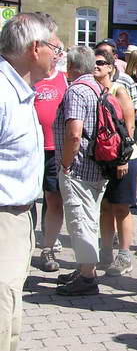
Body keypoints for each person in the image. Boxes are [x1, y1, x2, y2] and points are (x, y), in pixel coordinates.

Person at [0, 12, 60, 351]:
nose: (60, 54)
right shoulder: (2, 92)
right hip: (2, 219)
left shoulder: (21, 90)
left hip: (20, 217)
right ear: (34, 49)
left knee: (10, 326)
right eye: (55, 47)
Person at [53, 45, 110, 296]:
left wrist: (65, 164)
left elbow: (74, 134)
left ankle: (87, 278)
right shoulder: (99, 88)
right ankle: (86, 268)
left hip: (78, 167)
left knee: (80, 221)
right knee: (89, 218)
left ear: (73, 67)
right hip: (98, 164)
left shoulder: (76, 91)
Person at [93, 49, 137, 277]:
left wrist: (123, 159)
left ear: (111, 67)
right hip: (103, 159)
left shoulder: (119, 91)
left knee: (121, 208)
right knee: (105, 207)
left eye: (101, 62)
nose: (96, 66)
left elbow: (130, 127)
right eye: (94, 62)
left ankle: (124, 255)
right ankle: (105, 251)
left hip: (123, 159)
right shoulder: (93, 90)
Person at [33, 45, 69, 272]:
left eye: (57, 50)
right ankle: (25, 241)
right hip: (33, 148)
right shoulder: (31, 79)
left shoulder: (65, 80)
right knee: (27, 200)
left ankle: (47, 247)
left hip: (55, 149)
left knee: (53, 199)